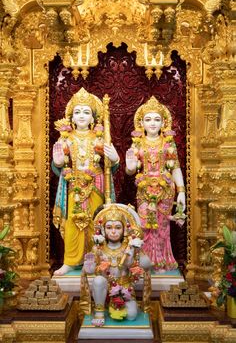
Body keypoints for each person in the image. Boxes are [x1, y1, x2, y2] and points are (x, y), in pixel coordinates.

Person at [52, 88, 119, 275]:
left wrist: (115, 158)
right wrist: (57, 162)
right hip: (74, 184)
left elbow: (110, 166)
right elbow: (59, 163)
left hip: (96, 184)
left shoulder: (100, 137)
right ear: (71, 118)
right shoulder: (66, 138)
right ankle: (70, 261)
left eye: (86, 112)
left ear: (93, 119)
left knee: (95, 222)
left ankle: (97, 260)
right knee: (73, 222)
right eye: (78, 112)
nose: (82, 116)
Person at [125, 96, 186, 272]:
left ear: (163, 123)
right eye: (148, 119)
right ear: (141, 123)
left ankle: (160, 261)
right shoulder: (138, 143)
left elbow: (175, 168)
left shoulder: (168, 143)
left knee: (161, 226)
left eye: (157, 119)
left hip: (166, 190)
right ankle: (143, 261)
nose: (152, 123)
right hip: (144, 189)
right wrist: (129, 166)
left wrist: (181, 191)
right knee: (144, 224)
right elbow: (131, 170)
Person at [80, 204, 152, 327]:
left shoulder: (129, 247)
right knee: (98, 280)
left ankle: (120, 305)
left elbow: (145, 264)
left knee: (131, 315)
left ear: (124, 230)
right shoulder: (98, 248)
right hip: (104, 289)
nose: (113, 231)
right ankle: (99, 312)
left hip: (125, 288)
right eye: (109, 227)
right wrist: (90, 266)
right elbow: (89, 270)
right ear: (103, 230)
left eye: (118, 227)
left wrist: (136, 252)